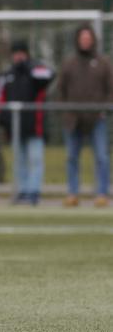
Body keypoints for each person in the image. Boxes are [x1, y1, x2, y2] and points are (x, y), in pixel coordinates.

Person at [58, 25, 112, 208]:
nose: (85, 41)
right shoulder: (69, 63)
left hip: (97, 119)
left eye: (88, 38)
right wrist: (66, 109)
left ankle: (102, 193)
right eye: (83, 38)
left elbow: (110, 88)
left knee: (102, 157)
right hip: (73, 119)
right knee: (72, 157)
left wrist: (104, 108)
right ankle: (73, 193)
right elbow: (60, 90)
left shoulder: (103, 62)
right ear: (78, 40)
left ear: (93, 40)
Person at [0, 40, 55, 205]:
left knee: (35, 159)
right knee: (19, 160)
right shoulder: (7, 75)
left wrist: (29, 66)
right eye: (16, 53)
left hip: (34, 126)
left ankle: (33, 192)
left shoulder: (35, 71)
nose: (18, 56)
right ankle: (21, 191)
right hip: (14, 128)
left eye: (22, 53)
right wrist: (3, 120)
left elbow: (50, 74)